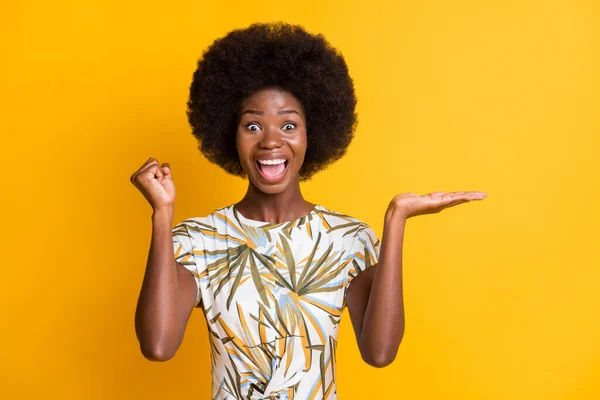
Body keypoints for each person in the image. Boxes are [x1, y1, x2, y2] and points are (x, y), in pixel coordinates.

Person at [130, 22, 487, 400]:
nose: (270, 141)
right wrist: (162, 213)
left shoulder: (348, 239)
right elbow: (158, 346)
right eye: (253, 125)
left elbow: (379, 353)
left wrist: (396, 218)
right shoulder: (198, 240)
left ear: (310, 134)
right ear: (229, 135)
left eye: (288, 125)